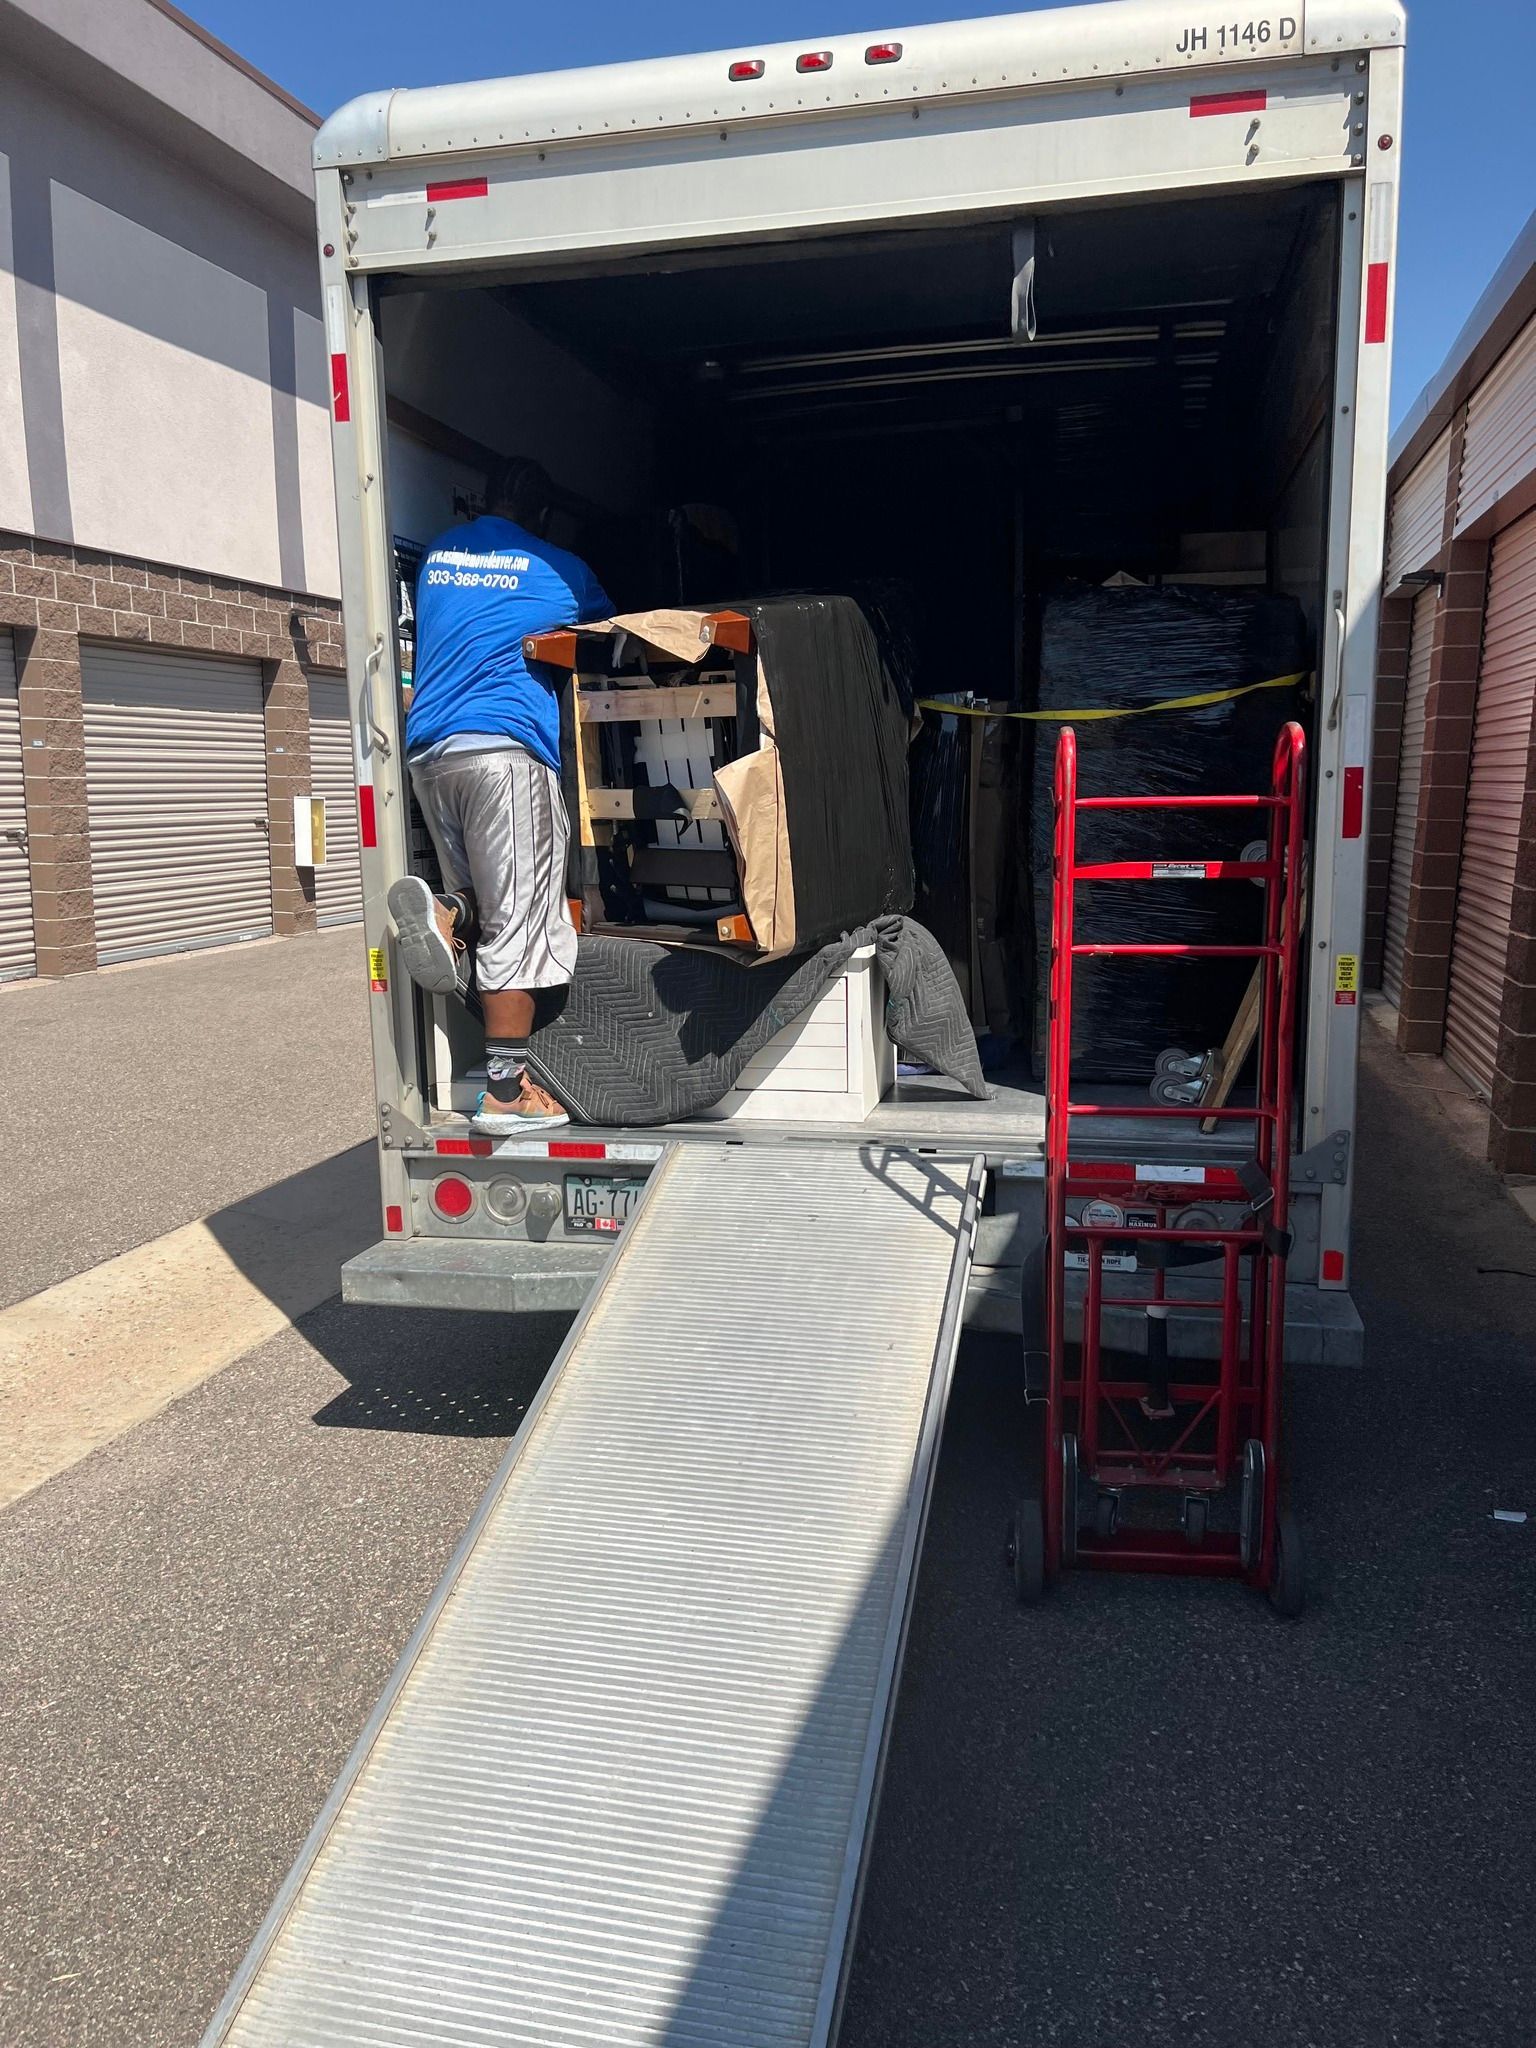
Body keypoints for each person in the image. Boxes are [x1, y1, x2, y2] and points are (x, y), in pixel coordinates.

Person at [387, 458, 611, 1133]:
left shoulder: (439, 558)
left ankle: (447, 911)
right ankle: (507, 1094)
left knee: (487, 902)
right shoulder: (560, 569)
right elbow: (611, 641)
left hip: (431, 755)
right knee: (520, 920)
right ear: (541, 517)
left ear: (479, 503)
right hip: (505, 755)